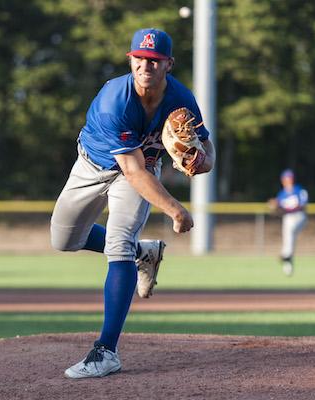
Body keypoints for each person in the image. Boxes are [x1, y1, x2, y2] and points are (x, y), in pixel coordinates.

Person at [50, 28, 215, 379]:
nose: (146, 65)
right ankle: (145, 252)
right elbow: (132, 168)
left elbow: (207, 148)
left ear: (168, 64)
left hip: (139, 171)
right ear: (131, 59)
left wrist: (203, 161)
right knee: (63, 240)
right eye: (139, 58)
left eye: (154, 60)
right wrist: (175, 209)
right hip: (94, 166)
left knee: (117, 245)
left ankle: (106, 350)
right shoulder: (115, 98)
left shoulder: (182, 99)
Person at [268, 169, 308, 276]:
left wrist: (283, 209)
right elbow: (278, 210)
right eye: (286, 178)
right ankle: (288, 265)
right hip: (288, 219)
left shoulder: (299, 190)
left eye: (289, 178)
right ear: (283, 180)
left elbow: (302, 207)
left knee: (289, 232)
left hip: (300, 217)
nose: (288, 180)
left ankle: (285, 255)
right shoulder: (281, 194)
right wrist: (274, 206)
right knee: (289, 239)